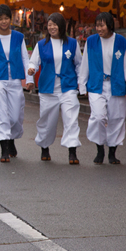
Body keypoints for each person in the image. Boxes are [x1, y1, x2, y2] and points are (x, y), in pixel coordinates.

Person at [78, 12, 126, 164]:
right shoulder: (91, 41)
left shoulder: (121, 41)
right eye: (97, 25)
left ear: (109, 25)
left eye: (102, 25)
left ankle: (112, 152)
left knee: (116, 118)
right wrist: (82, 85)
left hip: (116, 85)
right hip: (97, 85)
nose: (99, 28)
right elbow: (85, 64)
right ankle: (99, 149)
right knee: (98, 117)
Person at [0, 4, 33, 163]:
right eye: (0, 19)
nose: (4, 22)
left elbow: (25, 57)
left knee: (16, 114)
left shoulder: (18, 37)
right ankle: (4, 148)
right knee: (0, 112)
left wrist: (29, 79)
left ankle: (11, 139)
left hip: (15, 79)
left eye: (6, 18)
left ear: (10, 19)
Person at [28, 13, 82, 163]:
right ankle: (44, 147)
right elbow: (33, 62)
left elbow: (79, 64)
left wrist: (82, 85)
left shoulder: (72, 43)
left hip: (68, 87)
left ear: (61, 26)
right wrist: (31, 71)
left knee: (71, 119)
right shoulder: (41, 44)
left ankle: (72, 152)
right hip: (47, 89)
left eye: (55, 24)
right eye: (49, 25)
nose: (52, 27)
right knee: (47, 121)